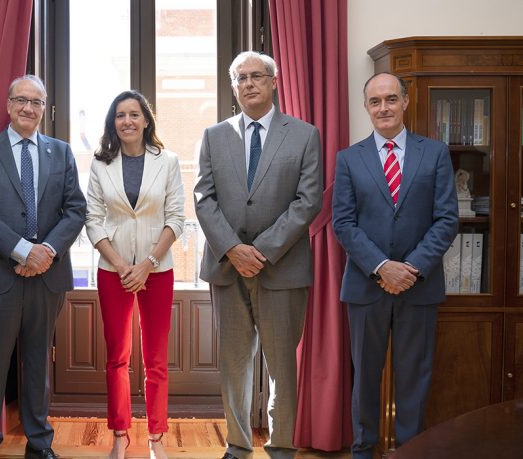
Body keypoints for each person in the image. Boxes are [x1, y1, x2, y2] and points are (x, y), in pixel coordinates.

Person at [194, 51, 323, 459]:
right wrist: (233, 249)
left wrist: (261, 252)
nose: (249, 83)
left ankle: (281, 445)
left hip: (282, 269)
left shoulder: (304, 134)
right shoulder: (215, 135)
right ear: (234, 87)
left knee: (282, 366)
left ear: (274, 81)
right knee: (234, 364)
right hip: (227, 268)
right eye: (241, 78)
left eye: (256, 76)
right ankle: (237, 444)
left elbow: (308, 202)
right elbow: (203, 197)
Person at [332, 72, 458, 459]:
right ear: (366, 107)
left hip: (419, 288)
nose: (383, 108)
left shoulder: (434, 153)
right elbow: (343, 222)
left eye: (390, 99)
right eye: (375, 101)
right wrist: (382, 266)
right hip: (366, 287)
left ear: (405, 101)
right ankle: (363, 451)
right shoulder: (349, 159)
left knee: (414, 380)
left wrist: (411, 268)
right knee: (365, 379)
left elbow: (447, 219)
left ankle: (409, 451)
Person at [0, 74, 86, 459]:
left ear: (44, 109)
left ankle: (39, 444)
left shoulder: (61, 152)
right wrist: (22, 250)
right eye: (21, 100)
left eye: (36, 102)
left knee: (38, 364)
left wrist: (45, 251)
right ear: (8, 105)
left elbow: (75, 210)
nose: (28, 108)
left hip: (47, 277)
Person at [85, 90, 185, 459]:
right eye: (120, 115)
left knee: (156, 359)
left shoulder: (169, 161)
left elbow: (175, 218)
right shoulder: (100, 165)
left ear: (146, 120)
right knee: (117, 357)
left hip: (157, 271)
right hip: (113, 271)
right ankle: (120, 434)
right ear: (113, 123)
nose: (127, 121)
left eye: (134, 114)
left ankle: (157, 436)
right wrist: (123, 265)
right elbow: (93, 221)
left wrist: (147, 264)